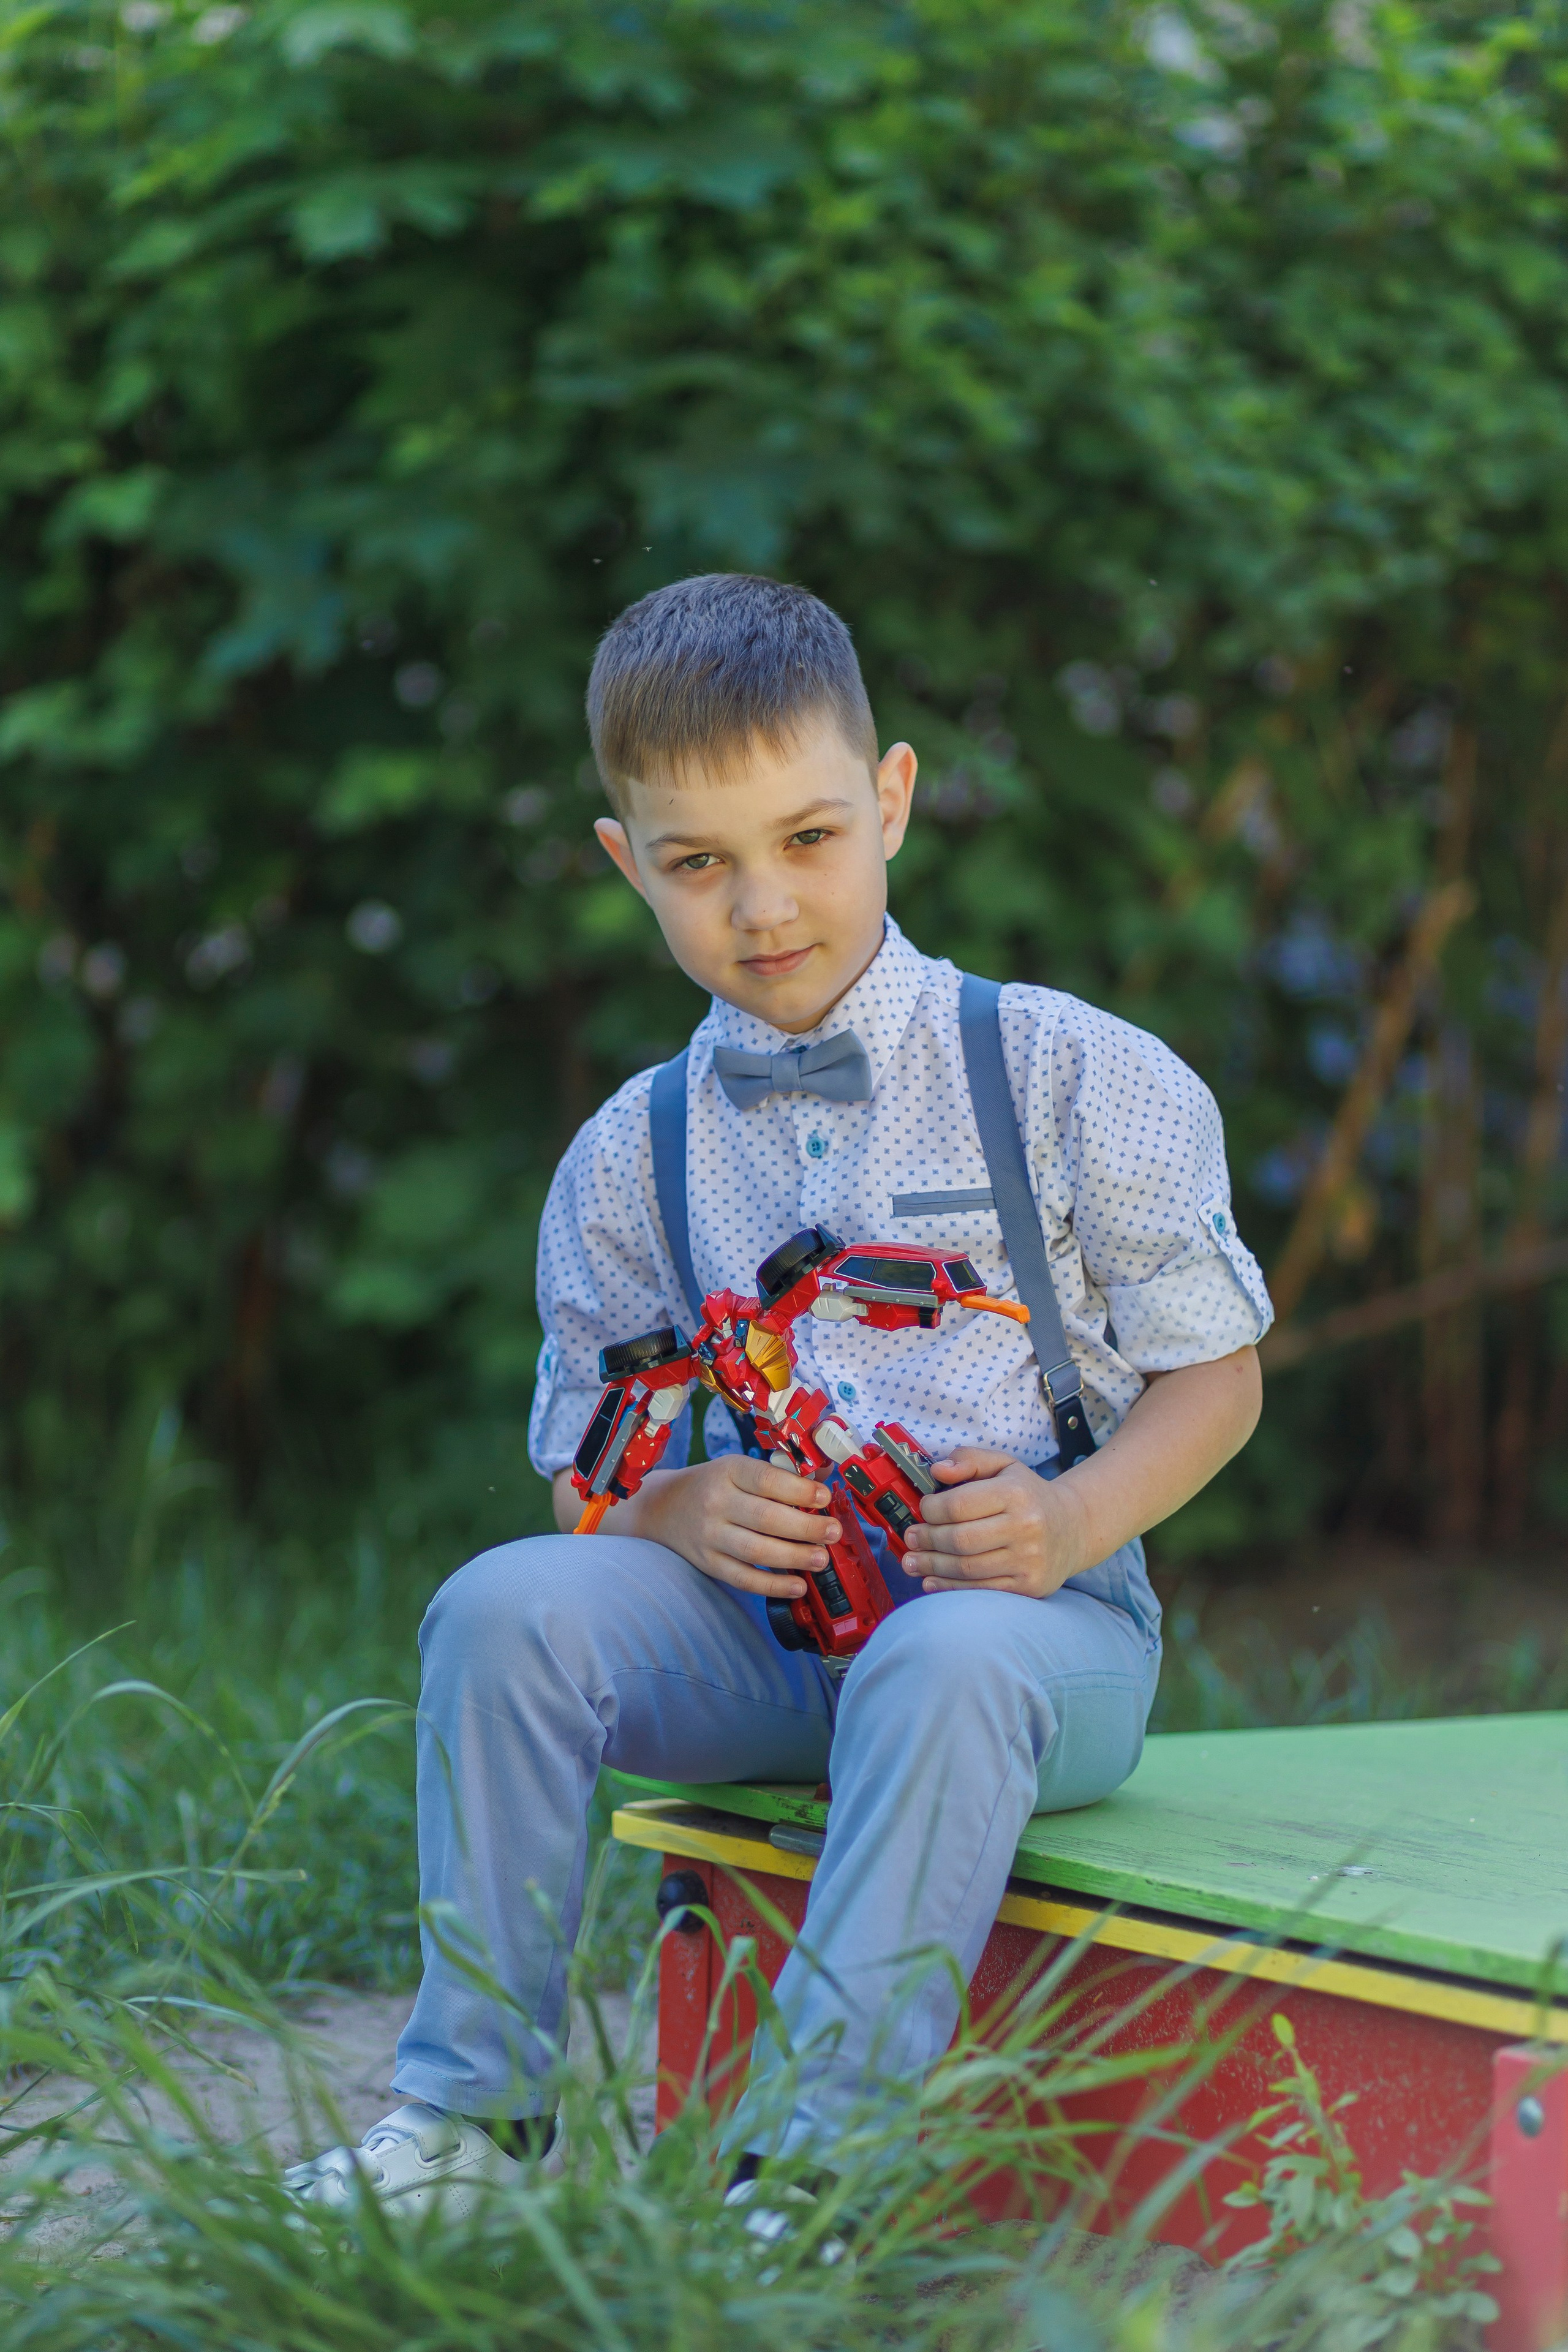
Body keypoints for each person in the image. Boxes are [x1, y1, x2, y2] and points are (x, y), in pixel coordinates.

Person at [285, 573, 1270, 2221]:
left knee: (951, 1654)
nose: (763, 905)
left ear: (891, 800)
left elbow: (1219, 1378)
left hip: (1039, 1636)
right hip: (765, 1642)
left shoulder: (1070, 1075)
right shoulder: (631, 1150)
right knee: (500, 1613)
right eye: (697, 862)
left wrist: (1069, 1518)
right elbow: (590, 1446)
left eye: (807, 838)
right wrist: (665, 1505)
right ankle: (469, 2123)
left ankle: (811, 2175)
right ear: (628, 867)